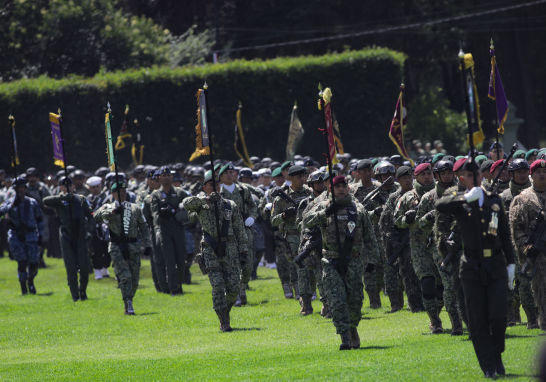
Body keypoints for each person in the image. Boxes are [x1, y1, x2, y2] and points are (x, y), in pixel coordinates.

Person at [436, 158, 515, 378]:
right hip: (471, 267)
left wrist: (511, 264)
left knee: (499, 316)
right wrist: (464, 197)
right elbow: (439, 205)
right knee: (477, 320)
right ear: (462, 179)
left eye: (477, 174)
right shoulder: (459, 200)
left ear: (483, 176)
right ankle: (488, 365)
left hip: (496, 265)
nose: (474, 178)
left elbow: (504, 235)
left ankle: (497, 354)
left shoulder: (494, 200)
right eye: (469, 175)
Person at [304, 175, 380, 350]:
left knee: (355, 300)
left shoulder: (358, 209)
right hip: (330, 260)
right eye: (336, 186)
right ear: (331, 189)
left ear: (348, 187)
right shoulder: (323, 206)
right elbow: (306, 222)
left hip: (353, 261)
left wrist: (372, 260)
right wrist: (325, 213)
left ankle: (352, 327)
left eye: (344, 185)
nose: (341, 189)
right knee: (337, 300)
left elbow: (370, 237)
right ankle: (344, 336)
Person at [183, 172, 249, 331]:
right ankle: (223, 320)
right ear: (205, 187)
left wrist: (244, 250)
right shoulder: (200, 204)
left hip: (231, 249)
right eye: (211, 185)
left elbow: (240, 229)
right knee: (218, 286)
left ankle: (226, 310)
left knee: (234, 288)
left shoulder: (230, 205)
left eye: (217, 185)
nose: (215, 187)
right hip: (210, 250)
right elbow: (186, 203)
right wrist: (205, 199)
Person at [394, 163, 443, 333]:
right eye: (423, 174)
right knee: (428, 283)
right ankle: (435, 321)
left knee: (442, 285)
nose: (427, 177)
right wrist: (406, 220)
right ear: (416, 177)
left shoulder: (441, 193)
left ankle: (440, 312)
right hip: (418, 245)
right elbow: (396, 221)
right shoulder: (407, 198)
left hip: (439, 244)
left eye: (429, 173)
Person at [416, 160, 464, 336]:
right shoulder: (429, 197)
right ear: (437, 175)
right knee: (449, 285)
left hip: (464, 245)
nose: (447, 176)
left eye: (449, 172)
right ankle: (455, 323)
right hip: (441, 247)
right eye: (443, 173)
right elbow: (419, 223)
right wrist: (431, 216)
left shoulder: (462, 192)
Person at [94, 181, 152, 315]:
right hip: (116, 247)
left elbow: (143, 227)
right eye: (119, 191)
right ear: (113, 193)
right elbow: (96, 216)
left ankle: (129, 299)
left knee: (134, 280)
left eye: (124, 191)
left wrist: (148, 244)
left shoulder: (135, 208)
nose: (122, 194)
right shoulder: (108, 206)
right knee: (125, 276)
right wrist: (112, 212)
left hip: (133, 246)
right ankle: (128, 303)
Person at [379, 165, 424, 312]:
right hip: (403, 241)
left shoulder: (420, 193)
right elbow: (385, 221)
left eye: (410, 177)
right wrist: (393, 240)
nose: (408, 180)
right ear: (398, 179)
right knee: (408, 273)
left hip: (420, 238)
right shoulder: (393, 198)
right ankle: (415, 304)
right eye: (404, 178)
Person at [500, 158, 538, 328]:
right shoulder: (504, 197)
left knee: (533, 280)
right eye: (519, 172)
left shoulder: (535, 193)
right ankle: (527, 317)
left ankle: (535, 317)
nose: (522, 175)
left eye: (525, 171)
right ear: (511, 174)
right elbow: (495, 223)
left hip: (535, 243)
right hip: (510, 246)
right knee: (517, 283)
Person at [43, 177, 95, 301]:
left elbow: (91, 216)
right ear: (61, 188)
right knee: (70, 267)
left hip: (81, 235)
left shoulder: (81, 199)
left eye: (70, 186)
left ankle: (82, 289)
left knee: (84, 266)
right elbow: (45, 201)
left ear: (74, 187)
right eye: (65, 186)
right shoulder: (59, 200)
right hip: (66, 236)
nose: (68, 188)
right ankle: (75, 295)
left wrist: (90, 232)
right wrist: (62, 197)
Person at [271, 165, 313, 312]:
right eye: (298, 177)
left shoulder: (310, 193)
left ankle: (316, 297)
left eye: (304, 176)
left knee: (314, 268)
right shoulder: (282, 197)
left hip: (310, 234)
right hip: (293, 237)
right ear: (290, 178)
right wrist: (284, 215)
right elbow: (273, 220)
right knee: (301, 269)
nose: (302, 180)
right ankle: (306, 302)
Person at [510, 159, 546, 330]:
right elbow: (517, 228)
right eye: (538, 171)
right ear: (532, 175)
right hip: (537, 251)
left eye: (545, 172)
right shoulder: (523, 198)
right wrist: (525, 247)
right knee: (541, 288)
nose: (542, 174)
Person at [218, 163, 257, 306]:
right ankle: (235, 293)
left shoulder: (243, 190)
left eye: (231, 172)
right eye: (226, 172)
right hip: (227, 233)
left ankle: (242, 286)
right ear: (221, 176)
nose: (229, 174)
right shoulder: (219, 192)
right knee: (232, 264)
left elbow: (253, 205)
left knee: (247, 265)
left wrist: (252, 217)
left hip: (244, 231)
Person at [0, 177, 44, 295]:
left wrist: (41, 235)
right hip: (16, 236)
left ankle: (31, 281)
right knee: (22, 262)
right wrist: (12, 205)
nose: (20, 189)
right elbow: (1, 212)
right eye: (18, 187)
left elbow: (39, 219)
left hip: (31, 235)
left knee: (34, 262)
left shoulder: (32, 202)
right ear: (14, 188)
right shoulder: (9, 201)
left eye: (22, 187)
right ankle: (23, 285)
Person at [150, 166, 190, 296]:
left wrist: (185, 217)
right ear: (159, 178)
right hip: (164, 230)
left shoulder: (180, 193)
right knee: (170, 260)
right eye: (164, 175)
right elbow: (155, 214)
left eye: (169, 175)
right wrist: (157, 230)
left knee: (181, 259)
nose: (166, 177)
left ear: (172, 177)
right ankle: (173, 289)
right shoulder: (155, 195)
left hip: (178, 229)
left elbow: (190, 207)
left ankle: (179, 284)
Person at [349, 159, 383, 308]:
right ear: (358, 173)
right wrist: (372, 213)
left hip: (381, 233)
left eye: (369, 170)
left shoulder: (380, 188)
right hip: (363, 237)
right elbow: (354, 213)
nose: (367, 174)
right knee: (367, 269)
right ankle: (373, 300)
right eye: (364, 171)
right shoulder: (353, 190)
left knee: (383, 267)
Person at [295, 170, 329, 316]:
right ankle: (306, 304)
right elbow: (299, 223)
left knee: (323, 275)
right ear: (311, 184)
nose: (320, 184)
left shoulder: (329, 200)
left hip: (325, 242)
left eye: (322, 182)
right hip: (308, 242)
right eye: (317, 182)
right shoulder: (306, 202)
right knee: (304, 276)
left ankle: (326, 304)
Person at [25, 167, 52, 268]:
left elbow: (50, 199)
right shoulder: (24, 188)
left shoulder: (42, 187)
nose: (32, 178)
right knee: (30, 238)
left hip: (41, 216)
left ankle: (40, 257)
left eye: (34, 176)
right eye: (30, 176)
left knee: (44, 238)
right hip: (28, 217)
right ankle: (32, 259)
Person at [86, 176, 111, 280]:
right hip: (95, 228)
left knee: (107, 250)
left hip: (106, 227)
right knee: (96, 250)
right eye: (93, 187)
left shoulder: (107, 197)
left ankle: (105, 268)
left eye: (97, 186)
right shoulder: (87, 200)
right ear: (90, 188)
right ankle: (97, 272)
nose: (96, 189)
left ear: (101, 186)